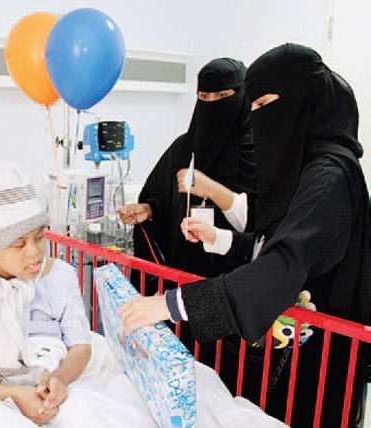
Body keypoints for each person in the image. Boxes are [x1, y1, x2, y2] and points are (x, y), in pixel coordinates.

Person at [120, 43, 371, 427]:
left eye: (264, 104)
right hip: (289, 345)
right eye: (251, 107)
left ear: (305, 101)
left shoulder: (328, 176)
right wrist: (220, 239)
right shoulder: (307, 169)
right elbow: (273, 241)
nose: (257, 118)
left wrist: (171, 305)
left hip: (317, 363)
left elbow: (283, 264)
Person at [0, 163, 157, 428]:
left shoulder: (59, 276)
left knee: (92, 415)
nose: (34, 252)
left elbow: (80, 345)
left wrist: (59, 379)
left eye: (39, 238)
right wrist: (13, 394)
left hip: (53, 380)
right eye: (19, 244)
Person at [118, 57, 256, 295]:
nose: (212, 103)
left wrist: (211, 189)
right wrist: (149, 209)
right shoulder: (183, 148)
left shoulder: (256, 151)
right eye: (204, 97)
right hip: (183, 274)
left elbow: (259, 220)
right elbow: (161, 194)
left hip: (234, 283)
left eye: (222, 96)